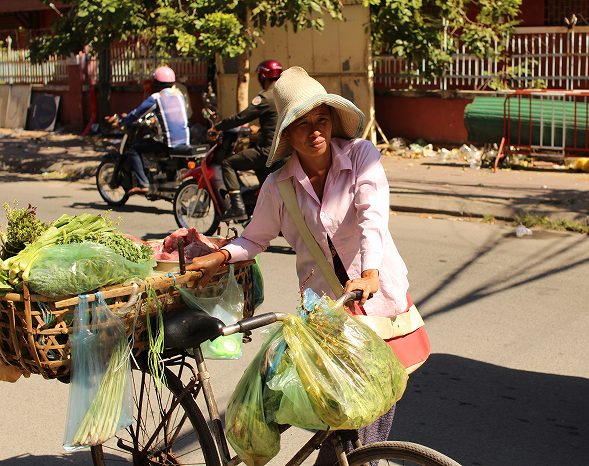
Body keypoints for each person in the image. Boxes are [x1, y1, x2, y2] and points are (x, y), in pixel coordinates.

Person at [187, 66, 429, 463]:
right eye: (302, 124)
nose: (315, 131)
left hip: (378, 298)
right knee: (337, 412)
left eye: (322, 119)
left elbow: (372, 218)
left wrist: (369, 272)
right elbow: (255, 238)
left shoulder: (360, 156)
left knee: (376, 403)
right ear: (287, 134)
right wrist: (220, 255)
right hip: (327, 315)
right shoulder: (278, 185)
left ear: (332, 120)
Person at [213, 59, 283, 220]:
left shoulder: (265, 98)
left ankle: (237, 208)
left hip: (268, 152)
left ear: (263, 76)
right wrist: (259, 131)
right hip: (285, 151)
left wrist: (217, 127)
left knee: (228, 163)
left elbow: (240, 117)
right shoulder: (285, 96)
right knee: (262, 176)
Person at [111, 65, 190, 195]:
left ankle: (144, 184)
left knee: (133, 149)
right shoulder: (179, 95)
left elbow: (136, 113)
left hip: (169, 143)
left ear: (157, 83)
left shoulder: (156, 97)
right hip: (185, 140)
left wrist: (122, 122)